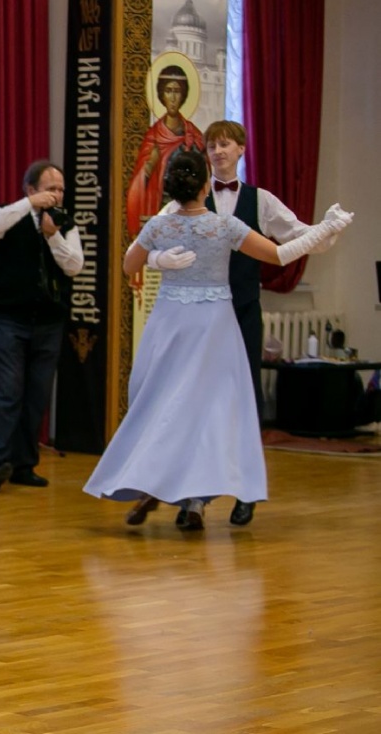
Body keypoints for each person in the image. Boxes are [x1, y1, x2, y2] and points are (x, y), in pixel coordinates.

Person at [84, 150, 352, 529]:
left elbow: (129, 264)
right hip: (212, 327)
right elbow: (279, 255)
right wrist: (323, 230)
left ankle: (160, 488)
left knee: (161, 405)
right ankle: (193, 500)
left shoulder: (159, 226)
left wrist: (158, 260)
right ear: (205, 185)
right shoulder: (224, 226)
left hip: (170, 324)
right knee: (207, 413)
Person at [143, 120, 337, 527]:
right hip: (199, 317)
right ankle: (192, 501)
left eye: (225, 144)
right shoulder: (186, 197)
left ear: (242, 149)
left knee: (242, 404)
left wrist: (328, 228)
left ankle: (245, 492)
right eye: (212, 145)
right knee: (194, 404)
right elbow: (150, 241)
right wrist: (159, 260)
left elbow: (296, 236)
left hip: (242, 312)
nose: (217, 151)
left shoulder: (260, 200)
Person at [0, 161, 84, 493]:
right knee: (8, 392)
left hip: (48, 322)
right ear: (31, 190)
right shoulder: (9, 214)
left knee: (36, 396)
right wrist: (29, 207)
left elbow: (74, 266)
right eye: (50, 188)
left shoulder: (64, 223)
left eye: (60, 189)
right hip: (7, 318)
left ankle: (24, 465)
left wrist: (54, 238)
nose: (56, 195)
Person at [126, 65, 205, 238]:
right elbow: (138, 185)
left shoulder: (194, 136)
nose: (173, 97)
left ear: (184, 95)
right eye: (168, 90)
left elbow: (204, 178)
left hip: (191, 219)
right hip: (160, 214)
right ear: (161, 94)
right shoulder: (153, 138)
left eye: (177, 91)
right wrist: (149, 166)